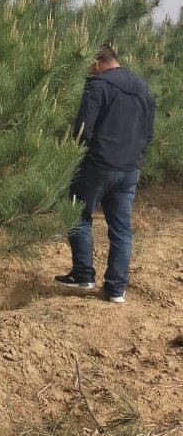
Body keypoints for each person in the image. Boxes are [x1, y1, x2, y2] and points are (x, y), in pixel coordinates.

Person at [55, 44, 155, 302]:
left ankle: (83, 276)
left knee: (78, 215)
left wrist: (72, 156)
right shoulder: (143, 87)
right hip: (130, 169)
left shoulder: (97, 85)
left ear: (96, 62)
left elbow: (83, 130)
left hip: (97, 165)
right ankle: (115, 289)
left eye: (90, 65)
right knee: (121, 230)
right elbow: (149, 132)